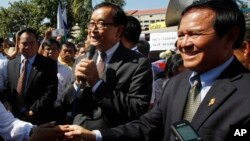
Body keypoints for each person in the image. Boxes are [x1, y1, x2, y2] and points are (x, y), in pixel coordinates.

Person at [62, 1, 250, 141]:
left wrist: (97, 84)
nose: (183, 44)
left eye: (194, 34)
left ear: (230, 37)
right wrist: (95, 136)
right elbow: (147, 127)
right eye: (180, 35)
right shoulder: (177, 84)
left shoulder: (245, 93)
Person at [61, 2, 152, 130]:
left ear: (119, 30)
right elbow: (65, 103)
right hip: (77, 133)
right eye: (91, 23)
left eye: (101, 24)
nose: (93, 30)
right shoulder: (82, 60)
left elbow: (136, 109)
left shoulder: (138, 64)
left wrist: (97, 84)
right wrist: (76, 84)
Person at [0, 28, 58, 125]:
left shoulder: (48, 64)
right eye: (24, 43)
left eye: (32, 43)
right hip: (14, 119)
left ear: (37, 44)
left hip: (38, 119)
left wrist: (33, 111)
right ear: (18, 44)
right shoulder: (11, 64)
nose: (28, 47)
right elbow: (8, 87)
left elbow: (51, 92)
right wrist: (6, 101)